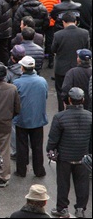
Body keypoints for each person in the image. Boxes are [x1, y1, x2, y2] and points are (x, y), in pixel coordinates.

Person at [47, 87, 92, 219]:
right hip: (83, 157)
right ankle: (80, 208)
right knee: (83, 183)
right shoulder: (90, 117)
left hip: (65, 157)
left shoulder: (60, 117)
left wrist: (50, 149)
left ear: (69, 101)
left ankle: (62, 208)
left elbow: (53, 139)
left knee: (63, 183)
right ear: (83, 100)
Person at [13, 56, 48, 178]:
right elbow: (46, 96)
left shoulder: (17, 83)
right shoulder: (42, 81)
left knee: (22, 146)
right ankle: (39, 170)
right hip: (38, 119)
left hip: (22, 119)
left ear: (22, 68)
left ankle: (21, 170)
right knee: (37, 146)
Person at [52, 12, 90, 111]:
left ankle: (62, 112)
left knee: (61, 92)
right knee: (80, 91)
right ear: (76, 22)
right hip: (78, 68)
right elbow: (87, 48)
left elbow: (53, 49)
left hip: (61, 69)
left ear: (63, 22)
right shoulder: (84, 33)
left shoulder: (58, 35)